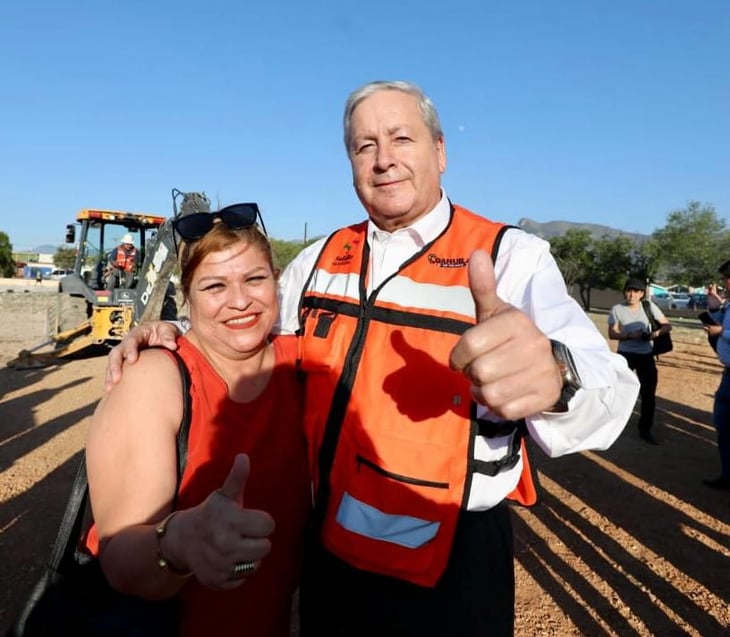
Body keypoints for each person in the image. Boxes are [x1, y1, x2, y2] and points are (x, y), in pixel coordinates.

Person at [106, 80, 640, 636]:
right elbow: (248, 326)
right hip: (330, 554)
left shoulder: (509, 258)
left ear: (440, 151)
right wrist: (172, 331)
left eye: (401, 138)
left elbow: (614, 389)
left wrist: (557, 375)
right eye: (364, 146)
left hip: (452, 562)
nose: (383, 160)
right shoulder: (317, 261)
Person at [86, 207, 310, 637]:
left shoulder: (302, 363)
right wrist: (178, 543)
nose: (240, 300)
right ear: (187, 297)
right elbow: (119, 560)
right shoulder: (156, 379)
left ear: (277, 282)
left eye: (255, 279)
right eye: (215, 286)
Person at [608, 277, 671, 445]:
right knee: (618, 391)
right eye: (629, 290)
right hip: (625, 355)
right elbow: (612, 333)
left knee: (648, 394)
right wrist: (629, 335)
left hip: (646, 355)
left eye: (636, 291)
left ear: (642, 294)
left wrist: (654, 334)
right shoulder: (617, 309)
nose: (631, 294)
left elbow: (667, 325)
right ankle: (612, 427)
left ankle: (645, 429)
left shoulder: (649, 307)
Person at [701, 259, 730, 491]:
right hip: (728, 374)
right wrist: (713, 311)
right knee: (723, 426)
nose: (724, 283)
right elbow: (721, 325)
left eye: (726, 278)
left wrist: (722, 332)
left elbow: (725, 330)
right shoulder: (729, 304)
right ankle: (727, 475)